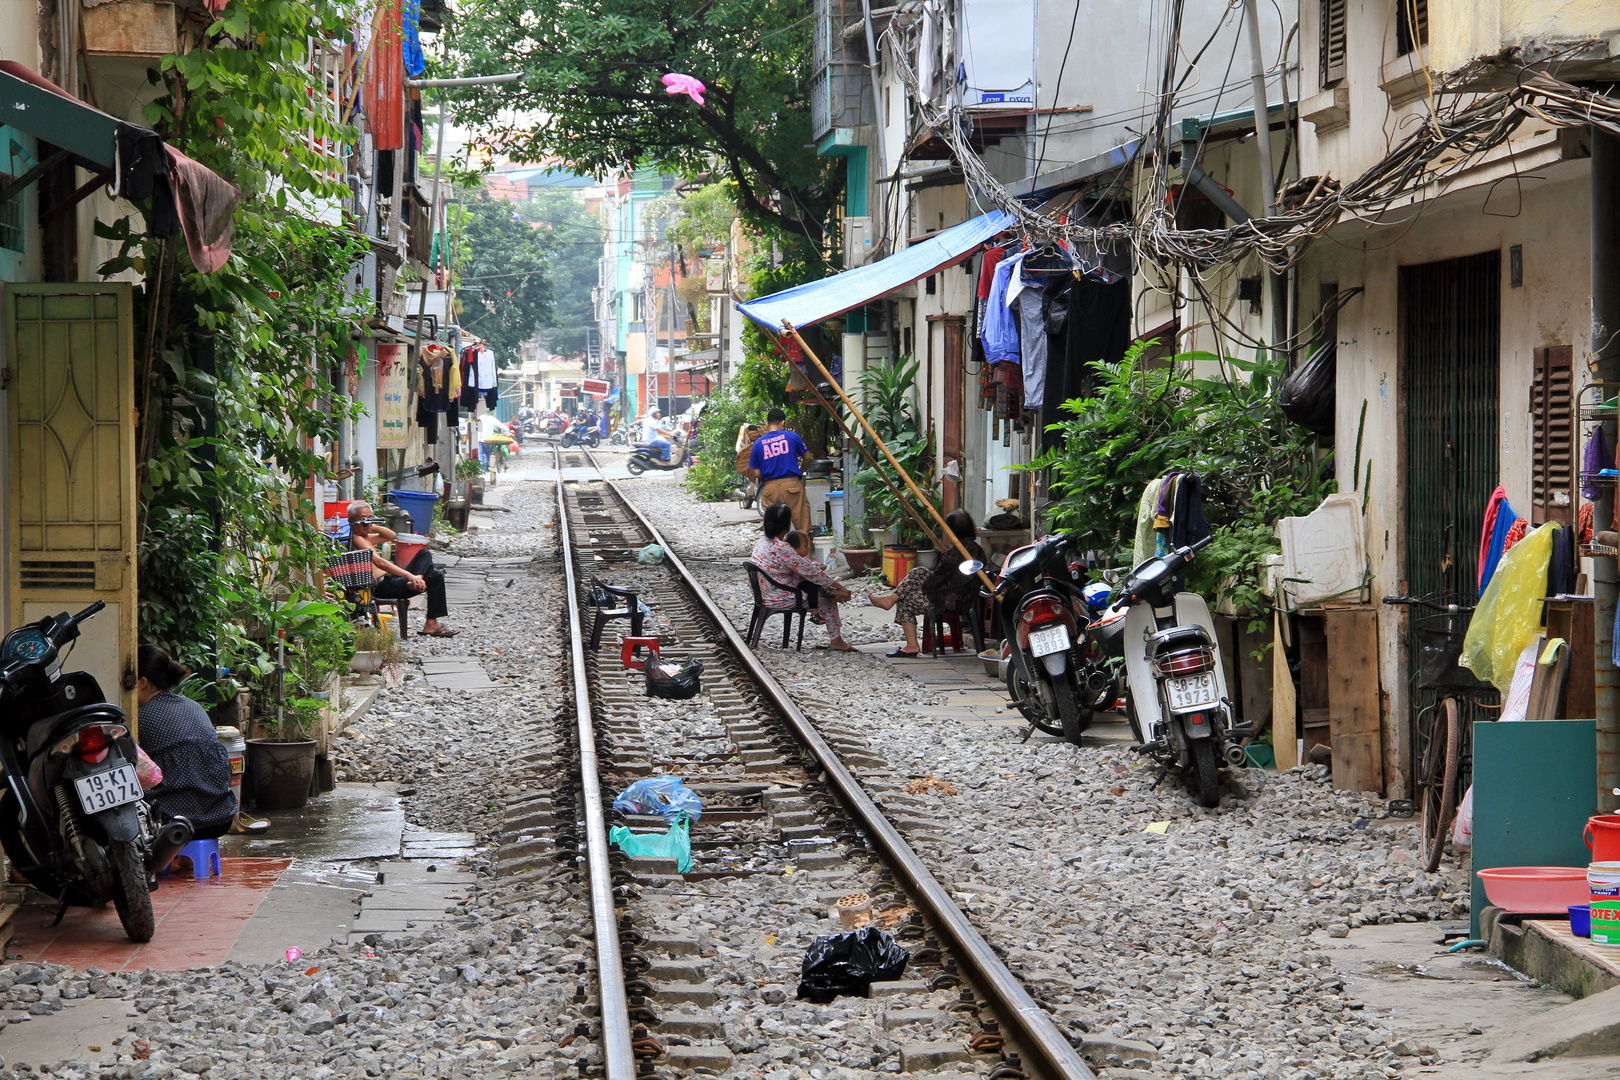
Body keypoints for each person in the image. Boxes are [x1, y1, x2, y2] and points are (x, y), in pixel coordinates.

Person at [135, 646, 237, 841]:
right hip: (220, 818)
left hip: (174, 824)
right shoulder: (194, 706)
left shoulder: (140, 717)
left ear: (142, 682)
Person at [868, 509, 987, 658]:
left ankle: (911, 645)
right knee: (919, 572)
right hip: (960, 594)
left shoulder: (956, 552)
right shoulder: (977, 549)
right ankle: (891, 598)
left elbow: (936, 579)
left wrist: (922, 588)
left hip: (949, 600)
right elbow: (942, 575)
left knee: (905, 602)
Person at [752, 503, 855, 650]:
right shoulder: (781, 548)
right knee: (827, 597)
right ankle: (836, 640)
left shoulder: (761, 542)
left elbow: (807, 570)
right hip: (779, 596)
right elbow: (812, 573)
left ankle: (835, 634)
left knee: (823, 589)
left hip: (764, 593)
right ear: (787, 525)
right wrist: (840, 588)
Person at [347, 501, 459, 637]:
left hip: (390, 580)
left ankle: (430, 620)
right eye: (363, 518)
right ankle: (429, 619)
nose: (367, 522)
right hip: (382, 586)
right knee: (435, 576)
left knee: (428, 560)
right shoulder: (356, 539)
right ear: (351, 521)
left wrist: (371, 524)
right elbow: (380, 562)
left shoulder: (367, 537)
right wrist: (409, 576)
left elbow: (392, 535)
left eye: (370, 517)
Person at [747, 408, 812, 533]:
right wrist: (800, 471)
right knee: (803, 529)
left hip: (770, 489)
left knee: (773, 531)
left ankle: (776, 552)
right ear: (783, 423)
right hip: (791, 486)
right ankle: (804, 552)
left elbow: (756, 473)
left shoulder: (758, 443)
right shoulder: (792, 436)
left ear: (767, 424)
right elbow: (807, 457)